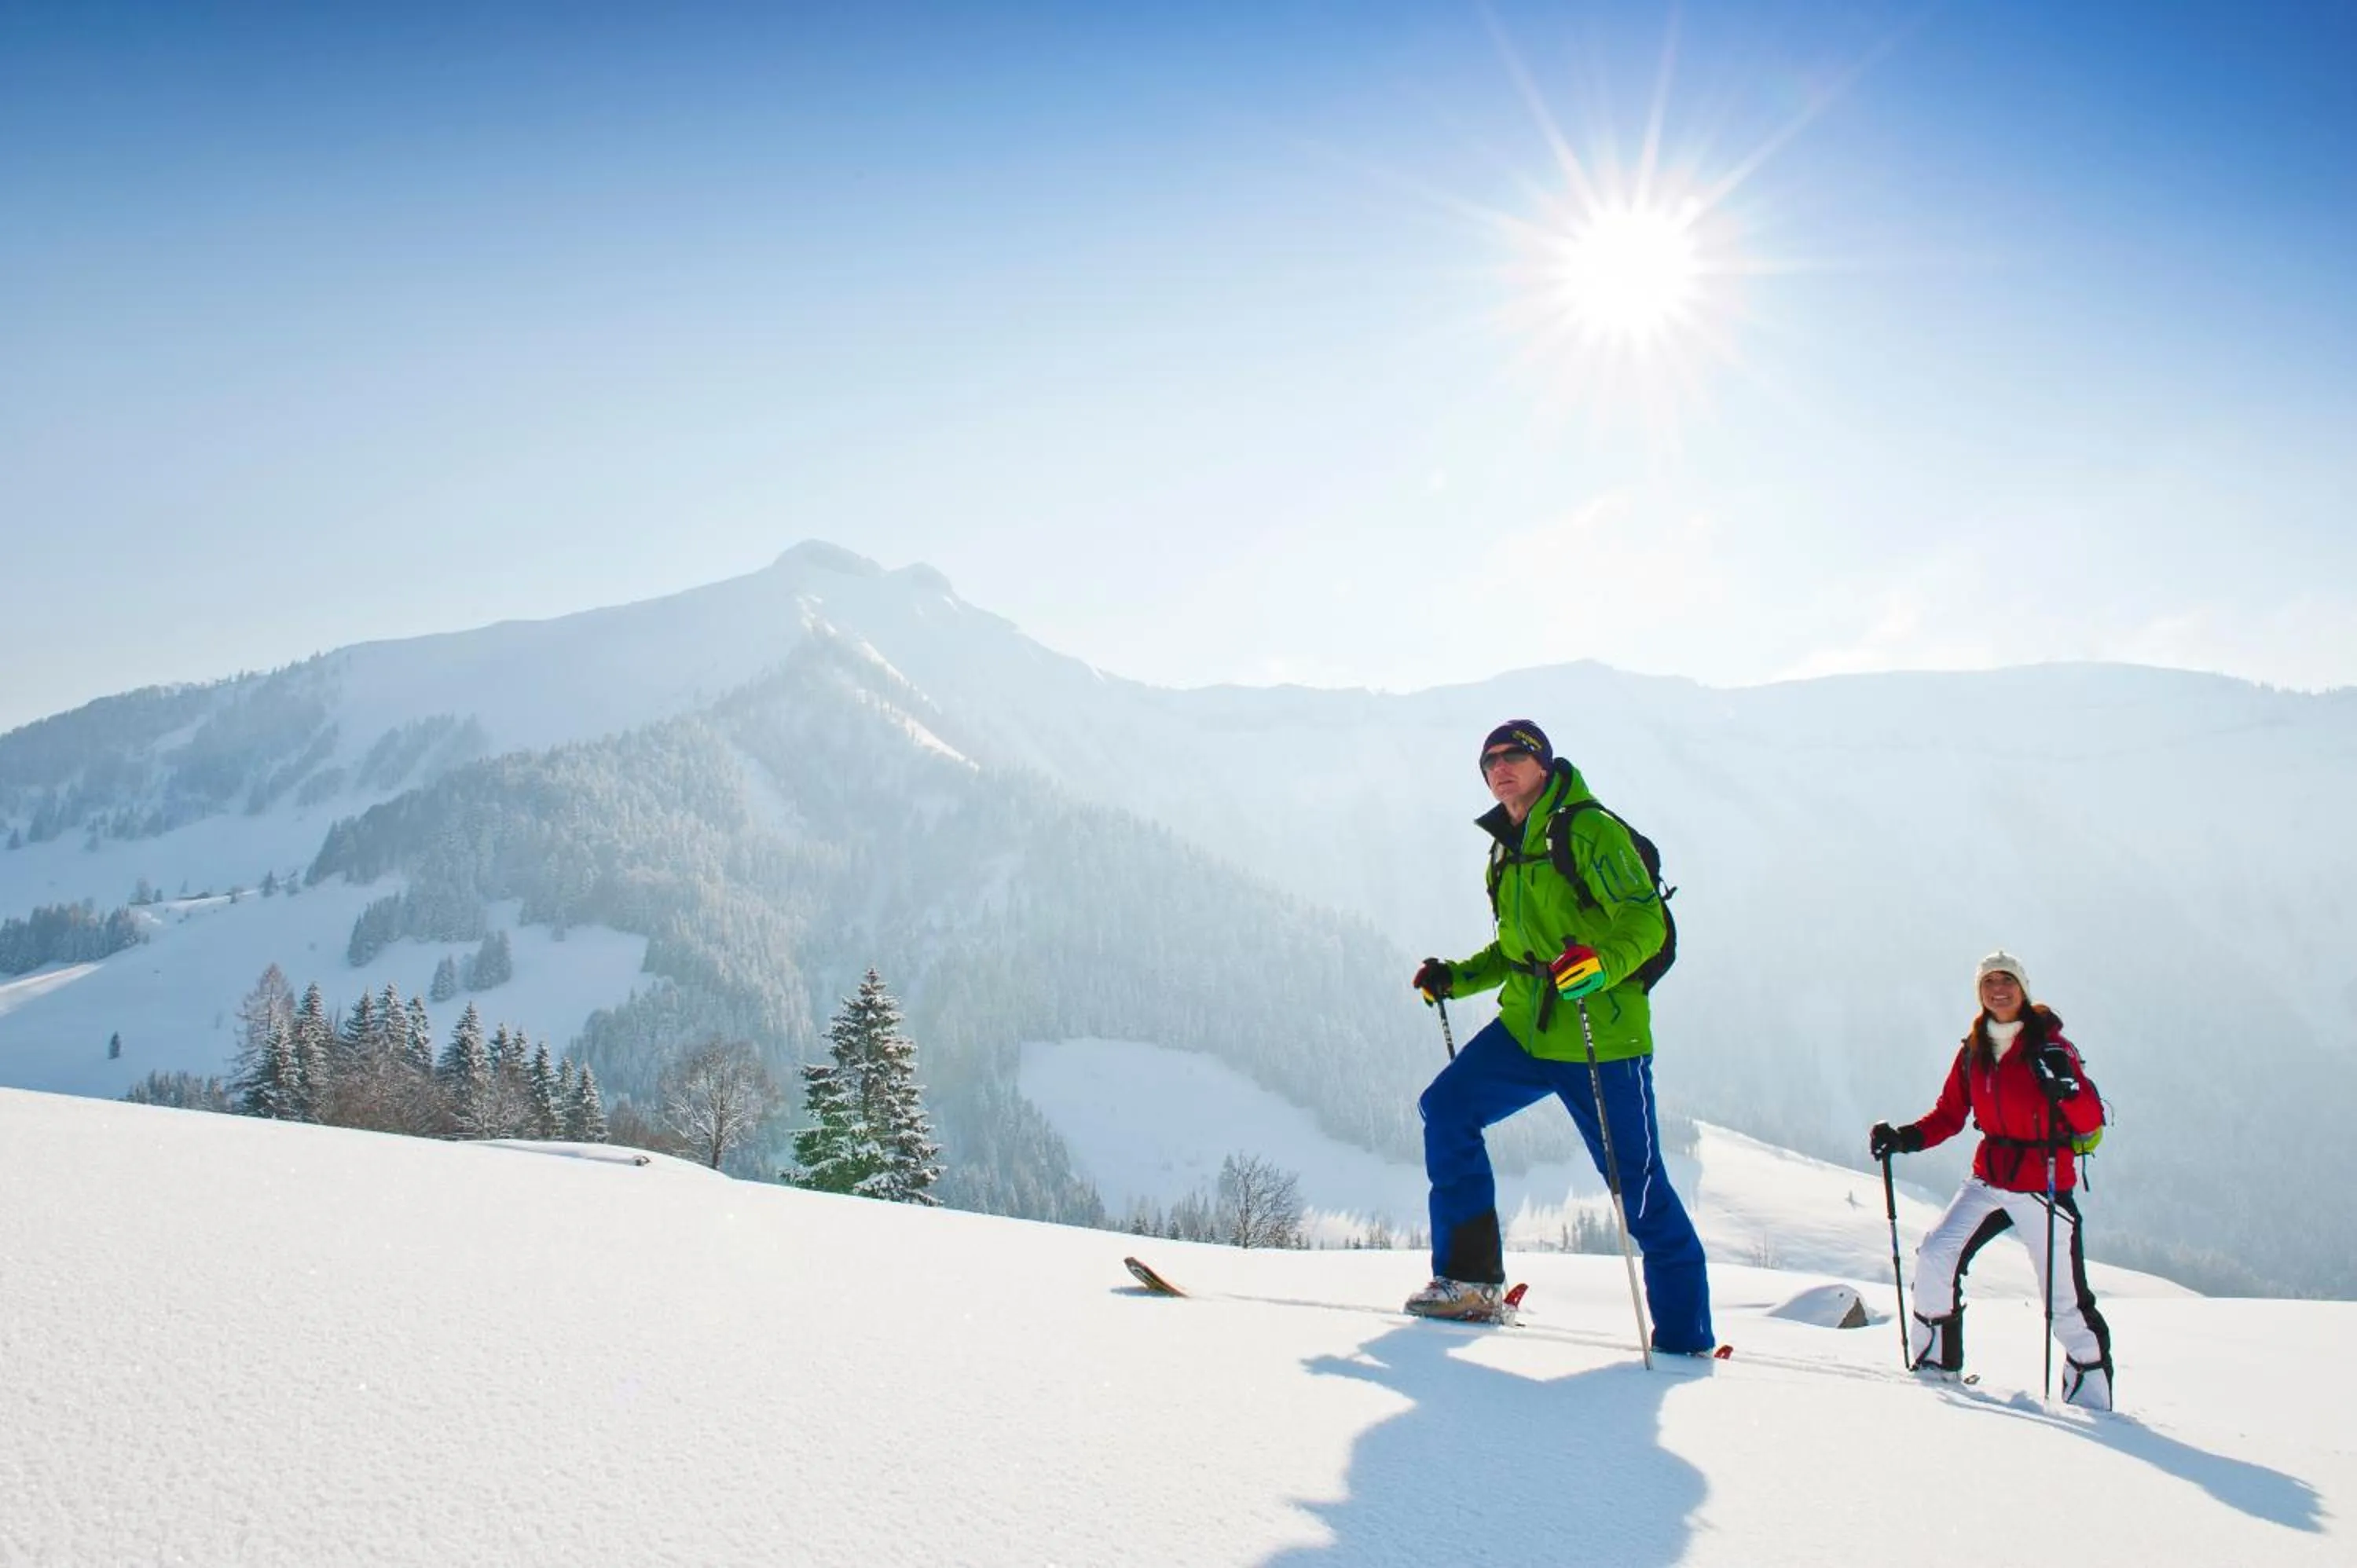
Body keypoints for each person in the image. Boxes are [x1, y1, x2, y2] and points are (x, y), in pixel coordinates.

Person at [1406, 720, 1714, 1354]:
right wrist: (1455, 978)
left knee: (1640, 1188)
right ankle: (1469, 1283)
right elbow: (1516, 951)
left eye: (1515, 755)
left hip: (1601, 1035)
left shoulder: (1590, 829)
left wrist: (1599, 965)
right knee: (1447, 1108)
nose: (1500, 766)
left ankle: (1685, 1341)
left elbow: (1646, 923)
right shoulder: (1506, 847)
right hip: (1527, 1027)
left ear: (1543, 764)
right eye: (1489, 759)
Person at [1871, 951, 2113, 1409]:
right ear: (1979, 993)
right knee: (1936, 1257)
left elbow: (2089, 1119)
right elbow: (1949, 1115)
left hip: (2044, 1185)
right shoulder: (1974, 1050)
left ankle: (2094, 1405)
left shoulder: (2053, 1049)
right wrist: (1904, 1138)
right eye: (1989, 983)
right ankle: (1936, 1368)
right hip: (1989, 1178)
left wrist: (2066, 1088)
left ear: (2024, 989)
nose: (1998, 990)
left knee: (2066, 1304)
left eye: (2008, 982)